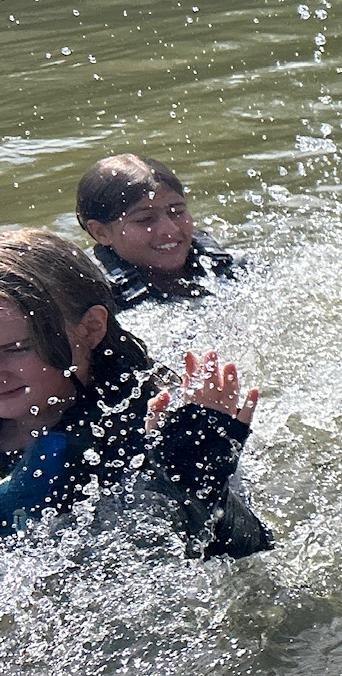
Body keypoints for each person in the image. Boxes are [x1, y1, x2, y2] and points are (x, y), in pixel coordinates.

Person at [0, 228, 269, 557]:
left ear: (91, 328)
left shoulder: (155, 429)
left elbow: (250, 554)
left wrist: (197, 482)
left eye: (16, 348)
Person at [74, 154, 239, 310]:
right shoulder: (90, 298)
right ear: (101, 233)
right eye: (144, 219)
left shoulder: (226, 265)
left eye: (177, 212)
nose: (170, 229)